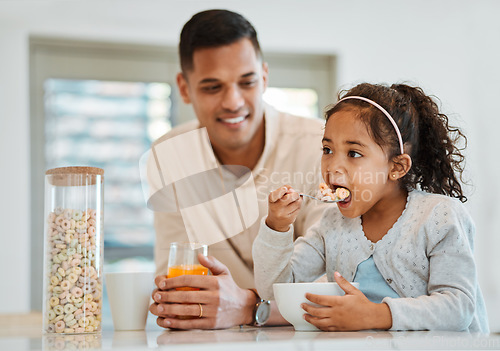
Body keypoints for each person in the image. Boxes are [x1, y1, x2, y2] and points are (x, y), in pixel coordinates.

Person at [253, 82, 489, 332]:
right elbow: (274, 290)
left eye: (353, 153)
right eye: (327, 149)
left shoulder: (439, 217)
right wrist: (276, 228)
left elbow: (458, 307)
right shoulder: (331, 224)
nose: (332, 166)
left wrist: (376, 315)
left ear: (396, 167)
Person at [149, 9, 327, 329]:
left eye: (247, 82)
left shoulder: (320, 146)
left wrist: (248, 308)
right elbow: (176, 283)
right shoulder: (169, 156)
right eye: (212, 87)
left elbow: (335, 280)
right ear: (184, 88)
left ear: (265, 77)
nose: (233, 102)